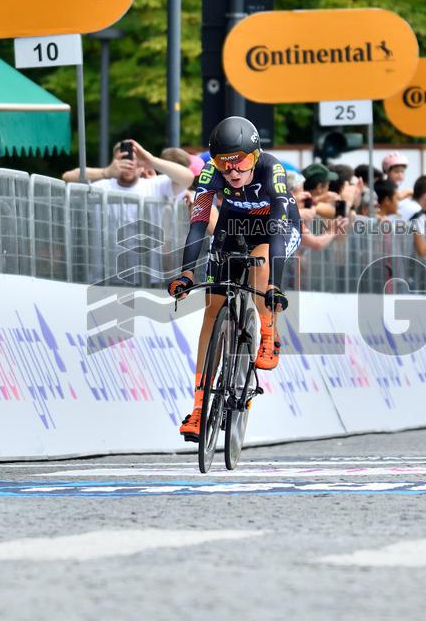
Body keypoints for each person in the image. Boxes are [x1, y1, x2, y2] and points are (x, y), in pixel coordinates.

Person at [167, 117, 301, 442]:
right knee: (212, 311)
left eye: (239, 161)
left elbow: (278, 231)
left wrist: (274, 286)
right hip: (233, 225)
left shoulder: (272, 170)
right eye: (223, 163)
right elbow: (199, 224)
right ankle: (199, 408)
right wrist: (186, 273)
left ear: (254, 156)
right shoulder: (209, 174)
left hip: (276, 228)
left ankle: (268, 331)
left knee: (260, 266)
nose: (232, 171)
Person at [62, 140, 193, 198]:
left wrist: (152, 161)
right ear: (114, 161)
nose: (128, 164)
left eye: (133, 159)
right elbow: (67, 177)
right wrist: (106, 172)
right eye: (122, 159)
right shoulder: (101, 186)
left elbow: (187, 178)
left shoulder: (155, 185)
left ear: (142, 166)